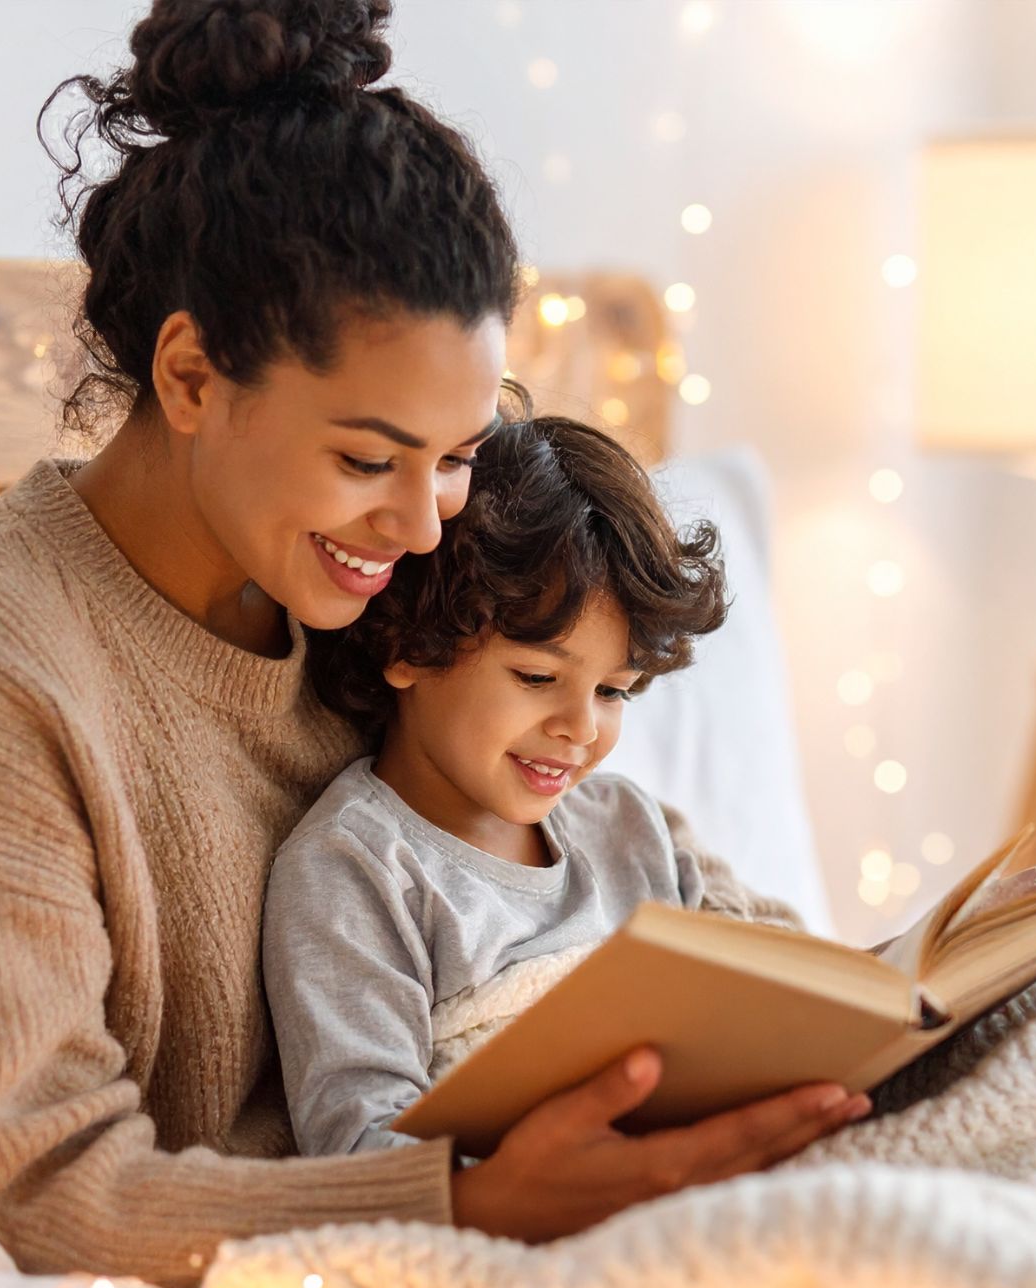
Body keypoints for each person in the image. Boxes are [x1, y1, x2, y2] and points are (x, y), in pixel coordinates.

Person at [0, 0, 863, 1288]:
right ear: (192, 377)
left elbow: (616, 838)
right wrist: (469, 1204)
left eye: (459, 458)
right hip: (375, 1263)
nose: (425, 522)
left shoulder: (404, 582)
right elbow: (58, 1191)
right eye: (369, 458)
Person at [263, 412, 873, 1157]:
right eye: (538, 677)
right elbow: (358, 1147)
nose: (581, 728)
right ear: (408, 646)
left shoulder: (629, 825)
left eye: (614, 691)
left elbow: (798, 976)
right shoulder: (357, 869)